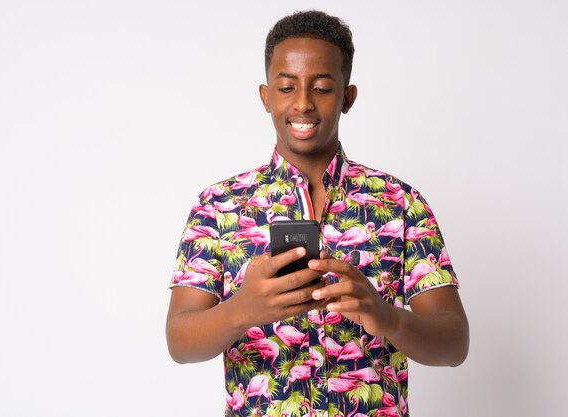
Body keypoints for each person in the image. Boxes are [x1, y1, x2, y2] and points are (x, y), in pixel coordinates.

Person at [166, 10, 469, 417]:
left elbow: (454, 344)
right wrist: (244, 309)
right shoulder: (219, 206)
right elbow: (180, 342)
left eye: (323, 88)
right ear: (266, 96)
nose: (304, 103)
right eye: (287, 87)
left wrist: (386, 317)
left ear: (347, 97)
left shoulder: (401, 203)